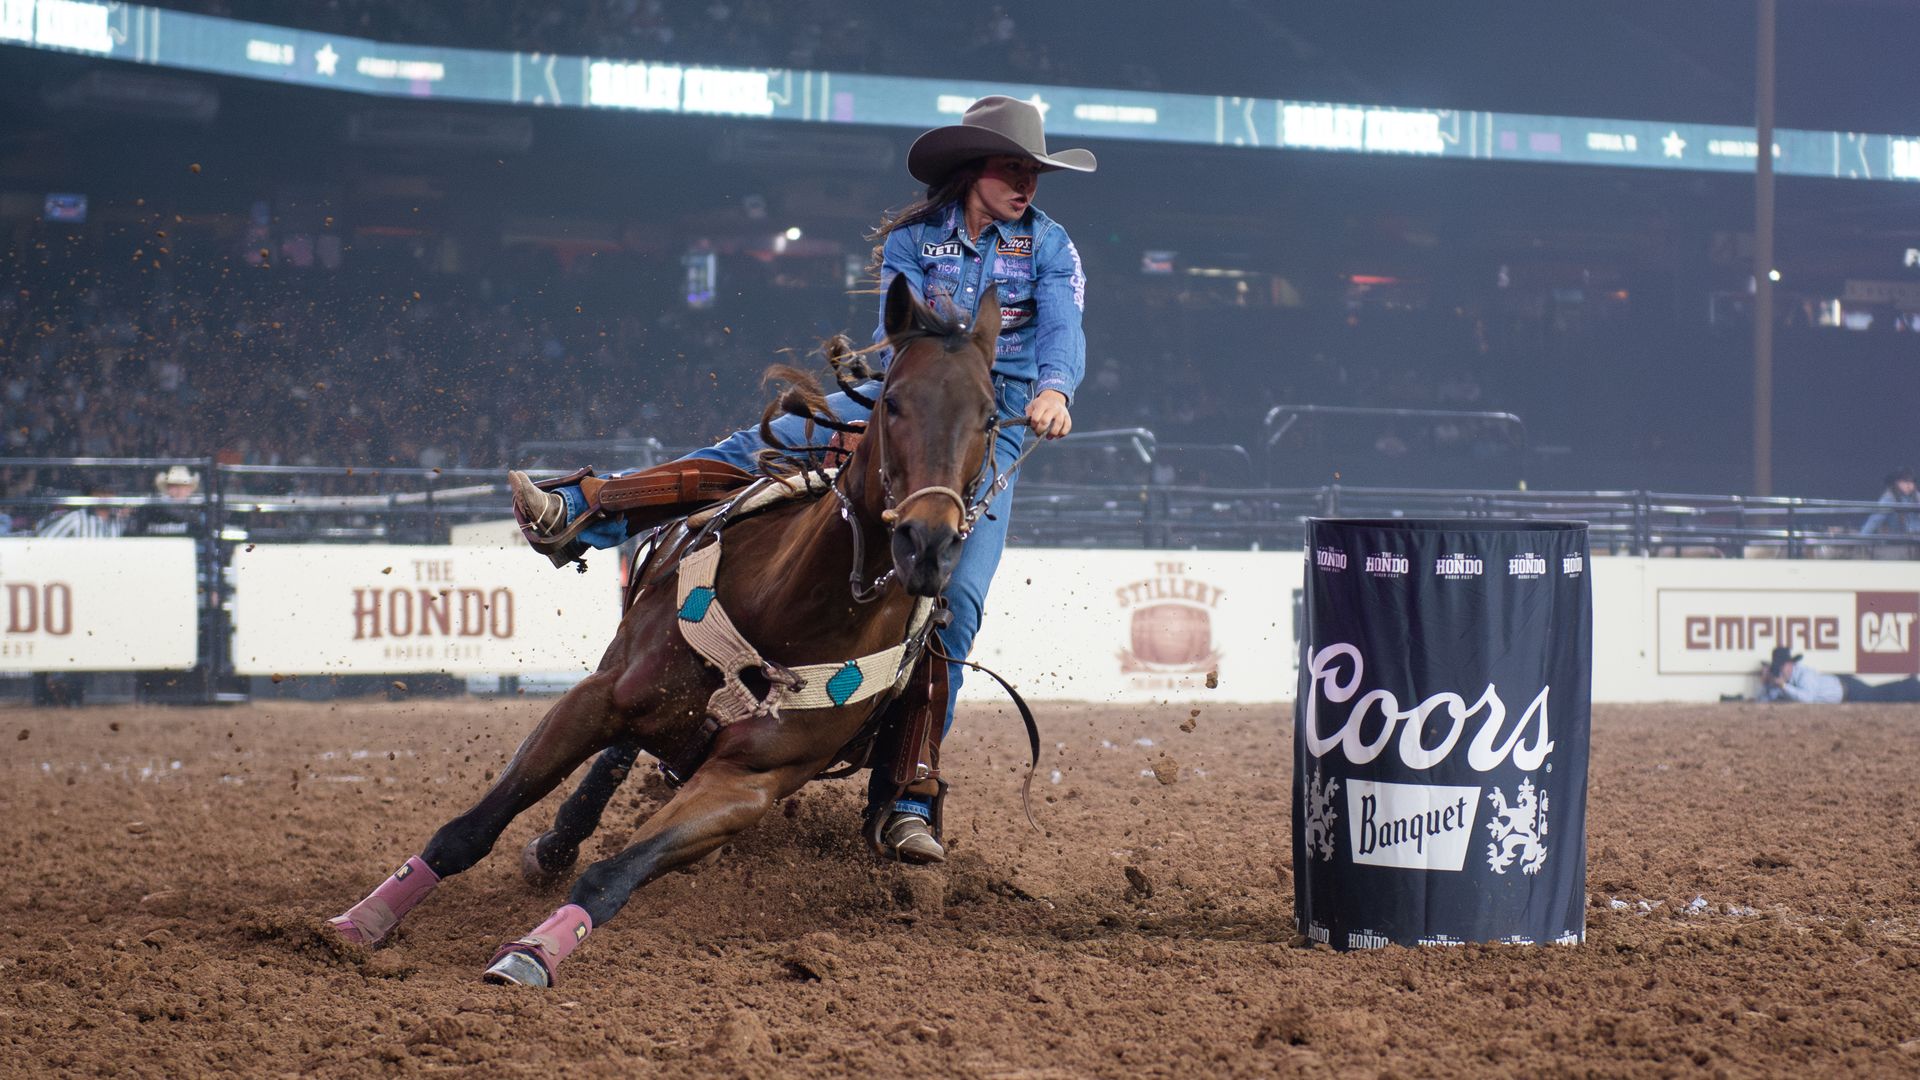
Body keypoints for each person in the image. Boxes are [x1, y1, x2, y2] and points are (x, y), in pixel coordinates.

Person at [509, 95, 1094, 862]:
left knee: (955, 604)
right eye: (1012, 166)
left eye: (1033, 170)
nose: (1027, 182)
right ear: (972, 171)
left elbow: (1063, 330)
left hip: (993, 406)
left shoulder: (1052, 248)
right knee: (764, 445)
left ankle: (906, 796)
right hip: (911, 388)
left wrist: (1053, 390)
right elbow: (900, 332)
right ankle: (586, 508)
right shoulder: (918, 240)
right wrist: (885, 399)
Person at [1758, 646, 1920, 704]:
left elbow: (1807, 698)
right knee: (1878, 694)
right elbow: (1764, 701)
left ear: (1790, 665)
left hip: (1847, 689)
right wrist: (1767, 683)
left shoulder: (1804, 675)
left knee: (1880, 695)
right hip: (1842, 688)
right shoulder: (1786, 681)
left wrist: (1782, 686)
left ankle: (1912, 687)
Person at [1862, 467, 1920, 556]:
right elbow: (1875, 520)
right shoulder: (1889, 498)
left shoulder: (1917, 497)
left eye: (1911, 482)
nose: (1909, 485)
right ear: (1897, 483)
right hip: (1896, 544)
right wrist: (1861, 538)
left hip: (1916, 542)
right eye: (1904, 481)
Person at [35, 486, 127, 539]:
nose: (106, 496)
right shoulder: (77, 518)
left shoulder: (119, 521)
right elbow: (45, 538)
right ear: (92, 494)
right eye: (102, 492)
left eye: (110, 492)